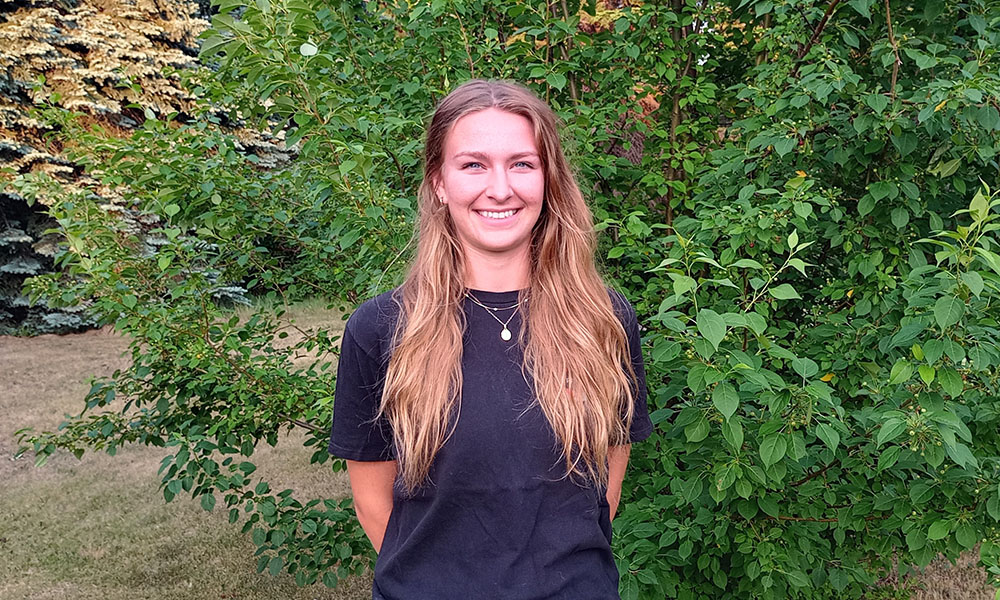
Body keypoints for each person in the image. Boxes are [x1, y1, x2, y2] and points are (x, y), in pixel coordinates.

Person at [328, 79, 652, 600]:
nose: (499, 188)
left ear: (548, 179)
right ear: (439, 181)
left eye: (522, 163)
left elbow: (605, 485)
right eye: (473, 164)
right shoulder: (382, 329)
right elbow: (372, 503)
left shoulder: (603, 320)